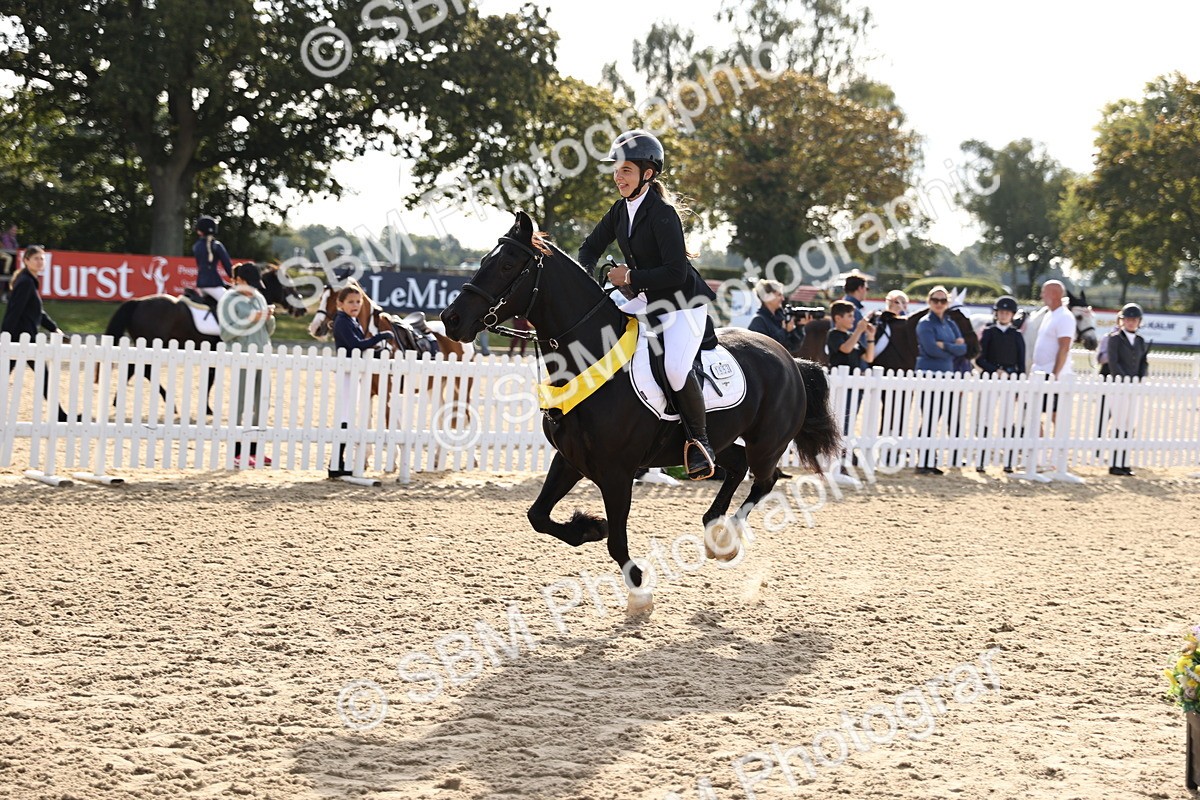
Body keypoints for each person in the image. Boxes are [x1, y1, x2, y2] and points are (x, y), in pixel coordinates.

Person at [578, 129, 718, 480]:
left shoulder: (663, 213)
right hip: (645, 299)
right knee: (602, 333)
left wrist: (629, 279)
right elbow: (589, 248)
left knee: (673, 368)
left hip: (682, 305)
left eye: (625, 170)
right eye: (616, 169)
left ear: (647, 174)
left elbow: (675, 271)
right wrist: (582, 280)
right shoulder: (619, 211)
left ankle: (700, 443)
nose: (617, 176)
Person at [328, 283, 396, 478]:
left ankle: (339, 462)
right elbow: (356, 345)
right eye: (351, 302)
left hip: (353, 372)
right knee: (344, 417)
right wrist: (380, 337)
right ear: (340, 304)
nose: (355, 305)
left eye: (358, 302)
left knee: (348, 417)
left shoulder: (352, 321)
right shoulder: (342, 321)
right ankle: (336, 462)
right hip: (346, 374)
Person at [1, 245, 73, 422]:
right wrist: (5, 338)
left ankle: (60, 415)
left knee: (41, 376)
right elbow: (14, 311)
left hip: (25, 340)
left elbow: (37, 312)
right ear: (26, 261)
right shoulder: (26, 282)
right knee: (41, 376)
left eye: (42, 258)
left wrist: (54, 328)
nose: (40, 262)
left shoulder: (29, 281)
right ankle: (60, 415)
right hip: (21, 340)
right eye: (36, 258)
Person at [218, 262, 276, 468]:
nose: (254, 289)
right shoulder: (229, 300)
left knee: (262, 404)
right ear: (240, 281)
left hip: (262, 355)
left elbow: (268, 331)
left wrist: (268, 318)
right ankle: (236, 452)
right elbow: (226, 333)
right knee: (241, 404)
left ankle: (254, 450)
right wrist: (251, 318)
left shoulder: (259, 297)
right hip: (242, 356)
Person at [913, 286, 965, 475]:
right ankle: (923, 461)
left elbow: (963, 348)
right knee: (930, 418)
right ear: (929, 301)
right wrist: (953, 347)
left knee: (946, 415)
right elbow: (932, 349)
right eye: (935, 300)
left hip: (947, 374)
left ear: (948, 303)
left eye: (943, 301)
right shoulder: (925, 323)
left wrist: (945, 345)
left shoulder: (950, 323)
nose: (939, 304)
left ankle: (931, 459)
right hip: (929, 374)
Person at [975, 296, 1026, 473]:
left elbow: (1021, 363)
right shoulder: (989, 332)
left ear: (1012, 315)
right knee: (986, 418)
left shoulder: (1017, 335)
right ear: (997, 314)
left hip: (1010, 379)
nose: (1004, 315)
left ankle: (1008, 461)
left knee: (1007, 420)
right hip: (991, 378)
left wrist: (1019, 383)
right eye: (1001, 312)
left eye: (1007, 313)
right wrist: (995, 370)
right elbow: (980, 359)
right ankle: (981, 459)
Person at [1104, 303, 1149, 476]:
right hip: (1120, 387)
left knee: (1131, 424)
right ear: (1122, 320)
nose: (1131, 323)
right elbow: (1113, 363)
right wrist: (1125, 380)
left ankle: (1125, 462)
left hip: (1134, 388)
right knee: (1119, 423)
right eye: (1128, 319)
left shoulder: (1140, 341)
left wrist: (1140, 378)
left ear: (1139, 321)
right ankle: (1115, 463)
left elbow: (1143, 362)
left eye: (1134, 320)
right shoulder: (1115, 338)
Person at [747, 279, 804, 355]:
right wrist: (785, 331)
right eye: (779, 295)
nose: (783, 299)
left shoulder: (781, 317)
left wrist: (800, 326)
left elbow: (794, 347)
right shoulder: (758, 321)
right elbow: (765, 350)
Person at [192, 215, 234, 305]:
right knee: (231, 304)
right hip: (213, 284)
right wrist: (235, 279)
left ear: (200, 231)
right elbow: (227, 265)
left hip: (200, 284)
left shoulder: (196, 246)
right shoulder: (216, 246)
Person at [827, 300, 874, 371]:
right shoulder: (833, 334)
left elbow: (868, 358)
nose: (853, 319)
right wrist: (859, 330)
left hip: (853, 378)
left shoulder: (852, 336)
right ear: (838, 318)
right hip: (838, 377)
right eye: (850, 316)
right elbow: (846, 349)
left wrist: (871, 337)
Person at [0, 223, 18, 301]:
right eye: (13, 230)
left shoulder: (13, 239)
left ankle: (6, 295)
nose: (14, 232)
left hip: (11, 263)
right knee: (5, 278)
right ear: (9, 230)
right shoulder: (5, 238)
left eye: (15, 230)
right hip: (3, 262)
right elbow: (8, 249)